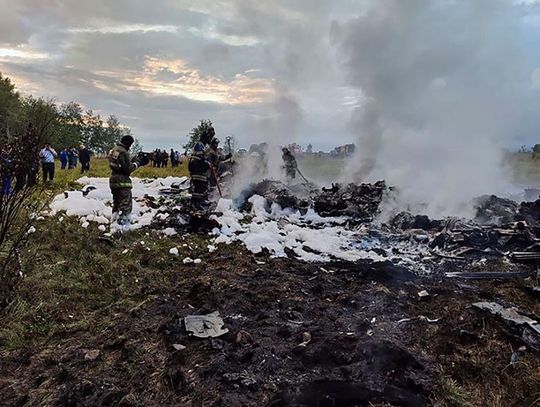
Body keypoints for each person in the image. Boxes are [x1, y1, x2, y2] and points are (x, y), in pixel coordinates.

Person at [108, 135, 149, 225]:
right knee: (125, 203)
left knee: (117, 202)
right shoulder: (124, 152)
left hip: (113, 179)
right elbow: (128, 169)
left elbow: (118, 164)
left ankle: (113, 221)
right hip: (122, 180)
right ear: (129, 143)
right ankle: (122, 225)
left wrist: (131, 161)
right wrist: (138, 163)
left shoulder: (114, 150)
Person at [188, 142, 210, 208]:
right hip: (202, 180)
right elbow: (206, 166)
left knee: (195, 193)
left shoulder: (191, 159)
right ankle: (201, 206)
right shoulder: (201, 159)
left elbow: (190, 168)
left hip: (194, 180)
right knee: (202, 194)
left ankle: (194, 204)